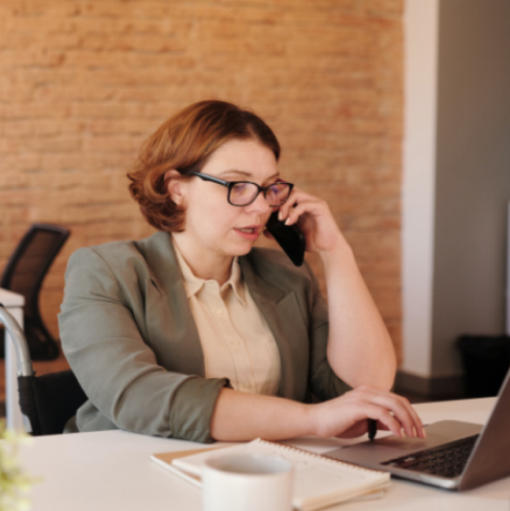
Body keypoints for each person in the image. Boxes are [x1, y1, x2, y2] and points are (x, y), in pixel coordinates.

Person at [59, 100, 424, 443]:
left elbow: (364, 390)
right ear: (177, 189)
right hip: (133, 474)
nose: (261, 207)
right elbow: (138, 396)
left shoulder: (287, 275)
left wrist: (335, 252)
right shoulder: (104, 271)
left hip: (264, 476)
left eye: (269, 189)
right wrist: (311, 419)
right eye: (238, 186)